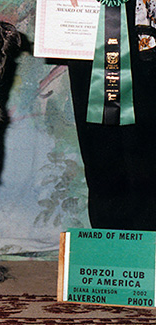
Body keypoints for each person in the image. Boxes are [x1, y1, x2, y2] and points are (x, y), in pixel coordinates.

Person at [68, 0, 156, 230]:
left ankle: (148, 242)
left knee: (146, 148)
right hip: (87, 28)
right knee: (98, 148)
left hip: (146, 32)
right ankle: (108, 239)